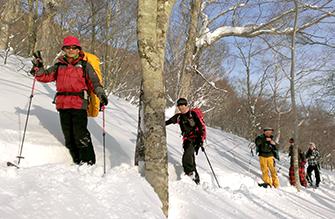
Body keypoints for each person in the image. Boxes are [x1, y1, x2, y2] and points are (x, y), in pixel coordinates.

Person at [30, 36, 108, 165]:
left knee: (80, 134)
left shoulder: (84, 65)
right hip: (63, 104)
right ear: (64, 50)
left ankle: (88, 162)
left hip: (78, 103)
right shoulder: (59, 65)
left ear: (78, 50)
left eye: (74, 48)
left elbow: (94, 82)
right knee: (69, 137)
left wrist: (101, 94)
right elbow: (44, 76)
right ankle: (78, 161)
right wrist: (39, 67)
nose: (71, 50)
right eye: (68, 48)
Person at [165, 98, 205, 184]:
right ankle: (196, 179)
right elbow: (168, 122)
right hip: (186, 140)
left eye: (182, 106)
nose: (181, 108)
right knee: (190, 157)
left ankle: (190, 174)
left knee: (186, 157)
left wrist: (201, 139)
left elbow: (200, 126)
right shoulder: (178, 116)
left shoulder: (193, 114)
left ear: (186, 105)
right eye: (179, 106)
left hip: (195, 139)